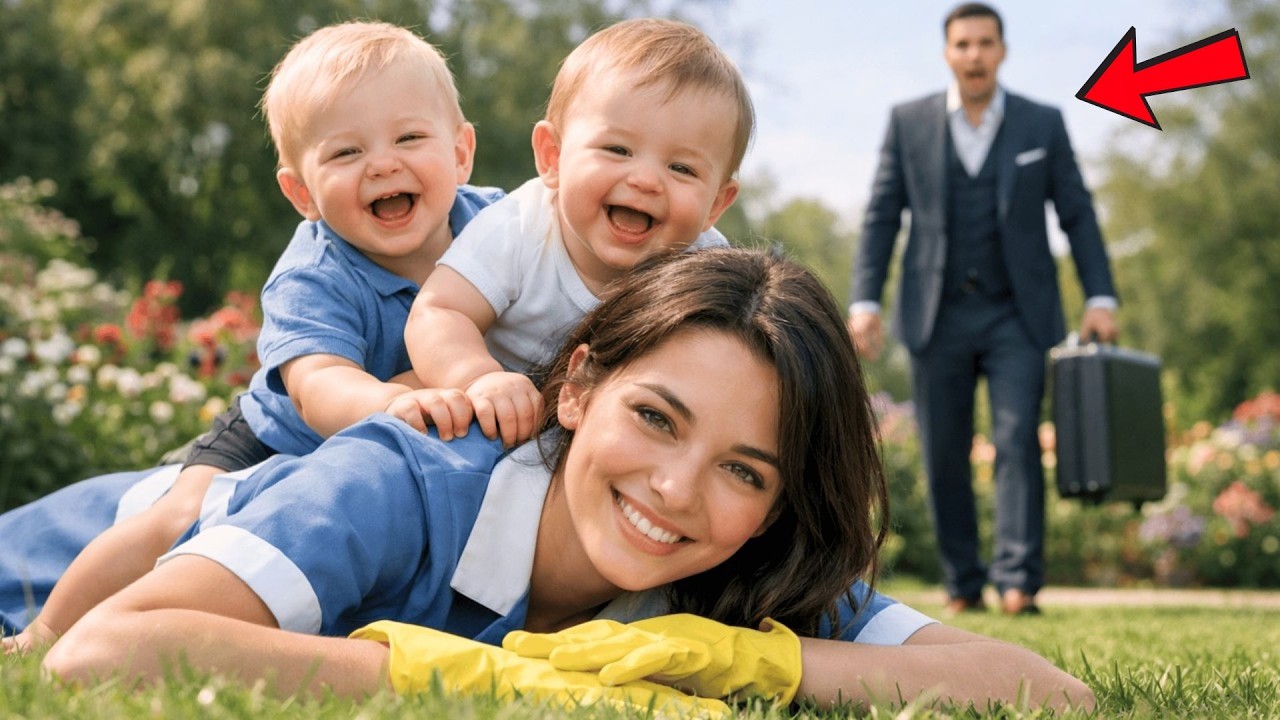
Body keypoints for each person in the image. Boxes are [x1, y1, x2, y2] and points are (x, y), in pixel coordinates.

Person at [23, 248, 1093, 713]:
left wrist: (728, 658)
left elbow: (1046, 695)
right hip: (40, 572)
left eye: (742, 469)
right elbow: (107, 650)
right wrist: (515, 686)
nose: (676, 490)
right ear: (577, 386)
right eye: (653, 417)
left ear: (776, 502)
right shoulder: (401, 479)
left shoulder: (734, 573)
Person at [4, 21, 502, 651]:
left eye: (409, 137)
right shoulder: (315, 274)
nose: (383, 163)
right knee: (177, 521)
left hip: (387, 437)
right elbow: (318, 386)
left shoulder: (498, 227)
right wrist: (391, 404)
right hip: (274, 435)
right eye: (346, 153)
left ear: (460, 153)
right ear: (302, 193)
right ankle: (45, 632)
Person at [847, 2, 1119, 616]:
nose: (974, 54)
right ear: (948, 53)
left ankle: (1019, 581)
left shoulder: (1041, 124)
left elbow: (1076, 213)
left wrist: (1100, 296)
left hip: (1017, 315)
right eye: (963, 44)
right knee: (944, 450)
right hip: (935, 313)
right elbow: (881, 217)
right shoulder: (909, 121)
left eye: (984, 43)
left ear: (1002, 51)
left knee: (1019, 440)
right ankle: (963, 582)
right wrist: (865, 301)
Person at [393, 18, 746, 448]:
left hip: (604, 433)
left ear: (716, 204)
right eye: (618, 150)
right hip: (496, 409)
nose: (646, 180)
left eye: (682, 168)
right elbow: (438, 312)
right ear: (553, 157)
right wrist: (478, 377)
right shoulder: (519, 228)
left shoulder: (708, 265)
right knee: (419, 402)